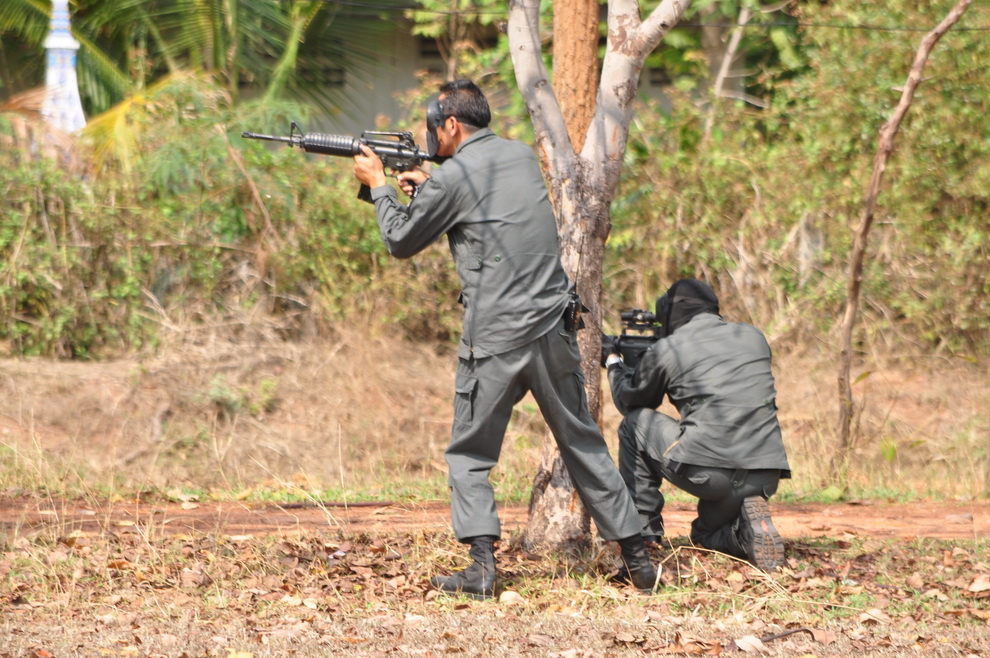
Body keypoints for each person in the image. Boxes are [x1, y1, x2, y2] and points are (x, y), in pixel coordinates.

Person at [353, 79, 658, 599]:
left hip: (495, 336)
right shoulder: (518, 157)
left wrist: (379, 185)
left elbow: (400, 240)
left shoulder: (453, 178)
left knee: (469, 455)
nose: (431, 136)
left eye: (435, 127)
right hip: (552, 327)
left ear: (451, 125)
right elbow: (488, 210)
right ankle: (639, 560)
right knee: (582, 442)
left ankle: (481, 569)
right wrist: (430, 186)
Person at [602, 279, 791, 571]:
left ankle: (645, 535)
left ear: (670, 314)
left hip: (710, 475)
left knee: (633, 425)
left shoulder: (669, 347)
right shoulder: (755, 337)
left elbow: (632, 401)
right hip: (764, 476)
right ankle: (744, 535)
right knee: (703, 536)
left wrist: (615, 362)